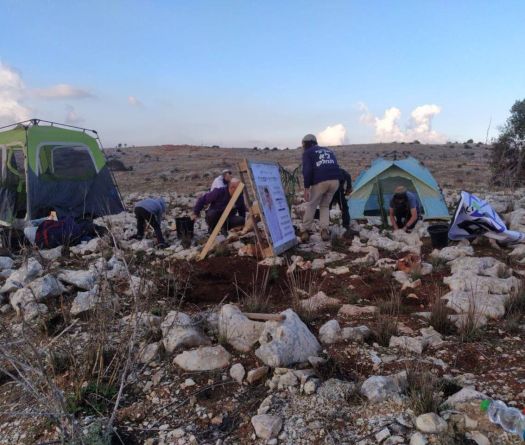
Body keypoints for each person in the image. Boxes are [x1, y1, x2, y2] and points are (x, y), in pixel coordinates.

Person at [300, 134, 341, 242]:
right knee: (325, 206)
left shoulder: (308, 153)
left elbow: (307, 171)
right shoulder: (328, 151)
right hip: (335, 181)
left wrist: (306, 187)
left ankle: (305, 231)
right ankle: (324, 231)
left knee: (312, 205)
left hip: (321, 181)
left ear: (305, 144)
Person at [329, 167, 358, 235]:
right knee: (344, 207)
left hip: (331, 191)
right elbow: (348, 176)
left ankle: (325, 224)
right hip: (339, 191)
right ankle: (346, 225)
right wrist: (349, 188)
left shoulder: (328, 170)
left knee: (326, 207)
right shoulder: (341, 171)